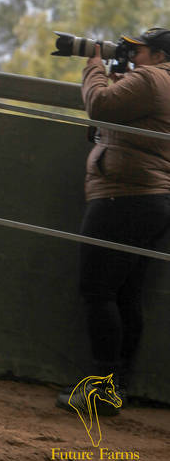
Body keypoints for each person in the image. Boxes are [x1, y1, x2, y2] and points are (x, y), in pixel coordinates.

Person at [57, 27, 170, 412]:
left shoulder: (152, 78)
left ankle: (103, 389)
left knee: (97, 291)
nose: (133, 56)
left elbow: (100, 106)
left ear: (157, 55)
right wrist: (119, 69)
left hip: (123, 195)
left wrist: (94, 66)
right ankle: (116, 385)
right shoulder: (160, 82)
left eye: (138, 51)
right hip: (150, 197)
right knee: (125, 294)